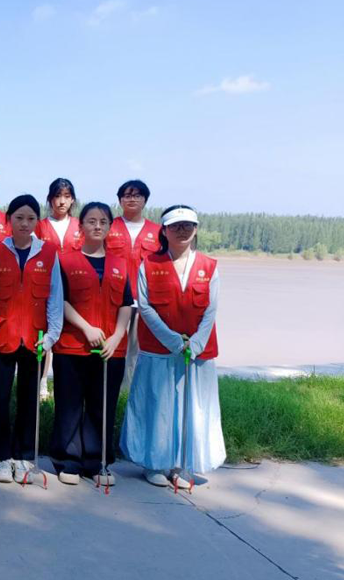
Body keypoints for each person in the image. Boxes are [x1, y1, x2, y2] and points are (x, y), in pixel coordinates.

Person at [120, 205, 225, 487]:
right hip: (158, 349)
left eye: (188, 225)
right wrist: (174, 341)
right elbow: (145, 307)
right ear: (164, 231)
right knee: (157, 407)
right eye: (175, 226)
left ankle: (184, 464)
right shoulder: (149, 264)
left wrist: (196, 342)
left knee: (193, 409)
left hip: (198, 352)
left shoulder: (209, 266)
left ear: (196, 229)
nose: (182, 231)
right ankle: (154, 463)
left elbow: (211, 310)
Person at [51, 202, 133, 485]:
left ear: (110, 226)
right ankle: (68, 461)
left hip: (111, 349)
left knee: (102, 406)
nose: (97, 226)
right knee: (69, 405)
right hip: (72, 345)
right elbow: (59, 300)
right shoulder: (65, 260)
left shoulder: (120, 264)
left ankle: (97, 463)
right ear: (81, 225)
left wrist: (117, 336)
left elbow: (126, 303)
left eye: (103, 222)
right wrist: (85, 328)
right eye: (91, 221)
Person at [0, 194, 63, 484]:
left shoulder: (49, 253)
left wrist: (52, 336)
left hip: (35, 338)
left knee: (29, 399)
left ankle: (24, 455)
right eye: (19, 218)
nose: (24, 224)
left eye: (30, 218)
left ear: (37, 222)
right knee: (0, 399)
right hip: (3, 336)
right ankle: (2, 457)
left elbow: (55, 297)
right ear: (9, 220)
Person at [105, 179, 161, 389]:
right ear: (120, 200)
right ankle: (110, 387)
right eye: (127, 195)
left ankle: (131, 390)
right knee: (113, 343)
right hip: (114, 298)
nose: (132, 199)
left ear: (145, 200)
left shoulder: (157, 231)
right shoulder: (109, 226)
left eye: (137, 195)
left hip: (144, 299)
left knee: (138, 347)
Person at [34, 177, 81, 399]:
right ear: (50, 199)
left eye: (66, 196)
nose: (62, 201)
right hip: (48, 283)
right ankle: (43, 382)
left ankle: (70, 382)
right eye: (57, 196)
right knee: (48, 332)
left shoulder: (80, 226)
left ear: (72, 200)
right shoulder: (39, 226)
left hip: (75, 285)